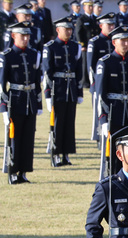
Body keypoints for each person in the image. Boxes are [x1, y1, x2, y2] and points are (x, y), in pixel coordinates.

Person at [95, 25, 128, 176]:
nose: (126, 44)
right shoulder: (105, 62)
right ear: (114, 42)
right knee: (113, 153)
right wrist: (103, 119)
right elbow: (101, 93)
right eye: (122, 40)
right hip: (113, 113)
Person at [1, 21, 42, 185]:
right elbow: (2, 85)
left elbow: (37, 82)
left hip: (30, 101)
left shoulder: (34, 54)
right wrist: (3, 108)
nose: (25, 38)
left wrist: (38, 104)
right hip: (15, 101)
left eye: (27, 35)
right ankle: (12, 171)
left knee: (28, 138)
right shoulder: (7, 55)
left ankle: (24, 172)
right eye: (22, 35)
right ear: (13, 36)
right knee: (14, 138)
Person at [42, 16, 83, 168]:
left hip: (71, 89)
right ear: (58, 30)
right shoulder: (50, 47)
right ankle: (55, 154)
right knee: (57, 123)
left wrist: (79, 92)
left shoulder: (75, 46)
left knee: (69, 123)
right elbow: (47, 72)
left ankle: (66, 154)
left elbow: (79, 71)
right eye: (66, 29)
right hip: (57, 90)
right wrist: (47, 94)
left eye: (70, 29)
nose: (69, 31)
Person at [87, 11, 114, 144]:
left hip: (113, 83)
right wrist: (94, 84)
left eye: (112, 24)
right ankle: (99, 137)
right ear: (100, 26)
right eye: (108, 25)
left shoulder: (115, 41)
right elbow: (91, 66)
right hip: (100, 82)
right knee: (99, 111)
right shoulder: (95, 42)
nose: (111, 27)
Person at [75, 0, 97, 88]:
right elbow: (78, 33)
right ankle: (85, 81)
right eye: (89, 6)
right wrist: (82, 45)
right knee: (85, 64)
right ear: (84, 8)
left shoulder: (94, 19)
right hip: (86, 46)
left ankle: (93, 81)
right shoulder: (81, 19)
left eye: (92, 6)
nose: (91, 8)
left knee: (94, 63)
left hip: (94, 46)